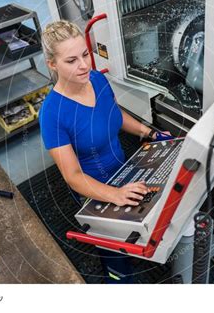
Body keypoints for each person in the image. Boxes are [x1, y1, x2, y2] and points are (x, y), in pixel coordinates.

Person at [39, 20, 170, 283]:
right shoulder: (52, 114)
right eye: (71, 60)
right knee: (117, 260)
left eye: (85, 54)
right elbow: (73, 176)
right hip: (94, 190)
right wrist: (114, 195)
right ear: (53, 64)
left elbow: (114, 114)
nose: (84, 65)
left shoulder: (97, 79)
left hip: (125, 171)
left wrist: (148, 133)